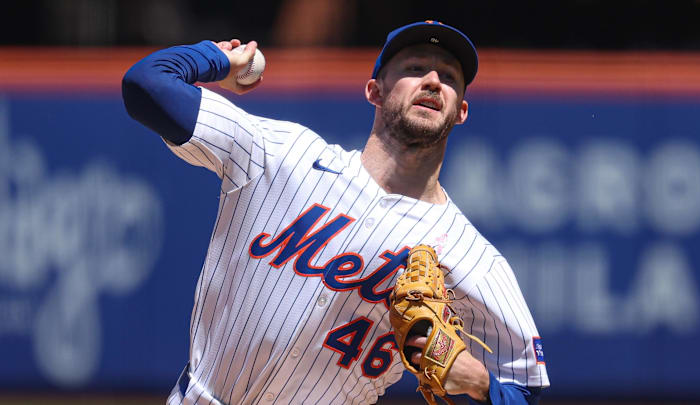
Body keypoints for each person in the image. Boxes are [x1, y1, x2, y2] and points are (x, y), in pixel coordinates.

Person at [122, 20, 549, 405]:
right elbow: (147, 84)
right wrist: (217, 59)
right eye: (415, 68)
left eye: (450, 78)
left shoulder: (470, 256)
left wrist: (481, 385)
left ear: (461, 112)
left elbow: (525, 389)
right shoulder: (281, 154)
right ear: (374, 91)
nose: (433, 81)